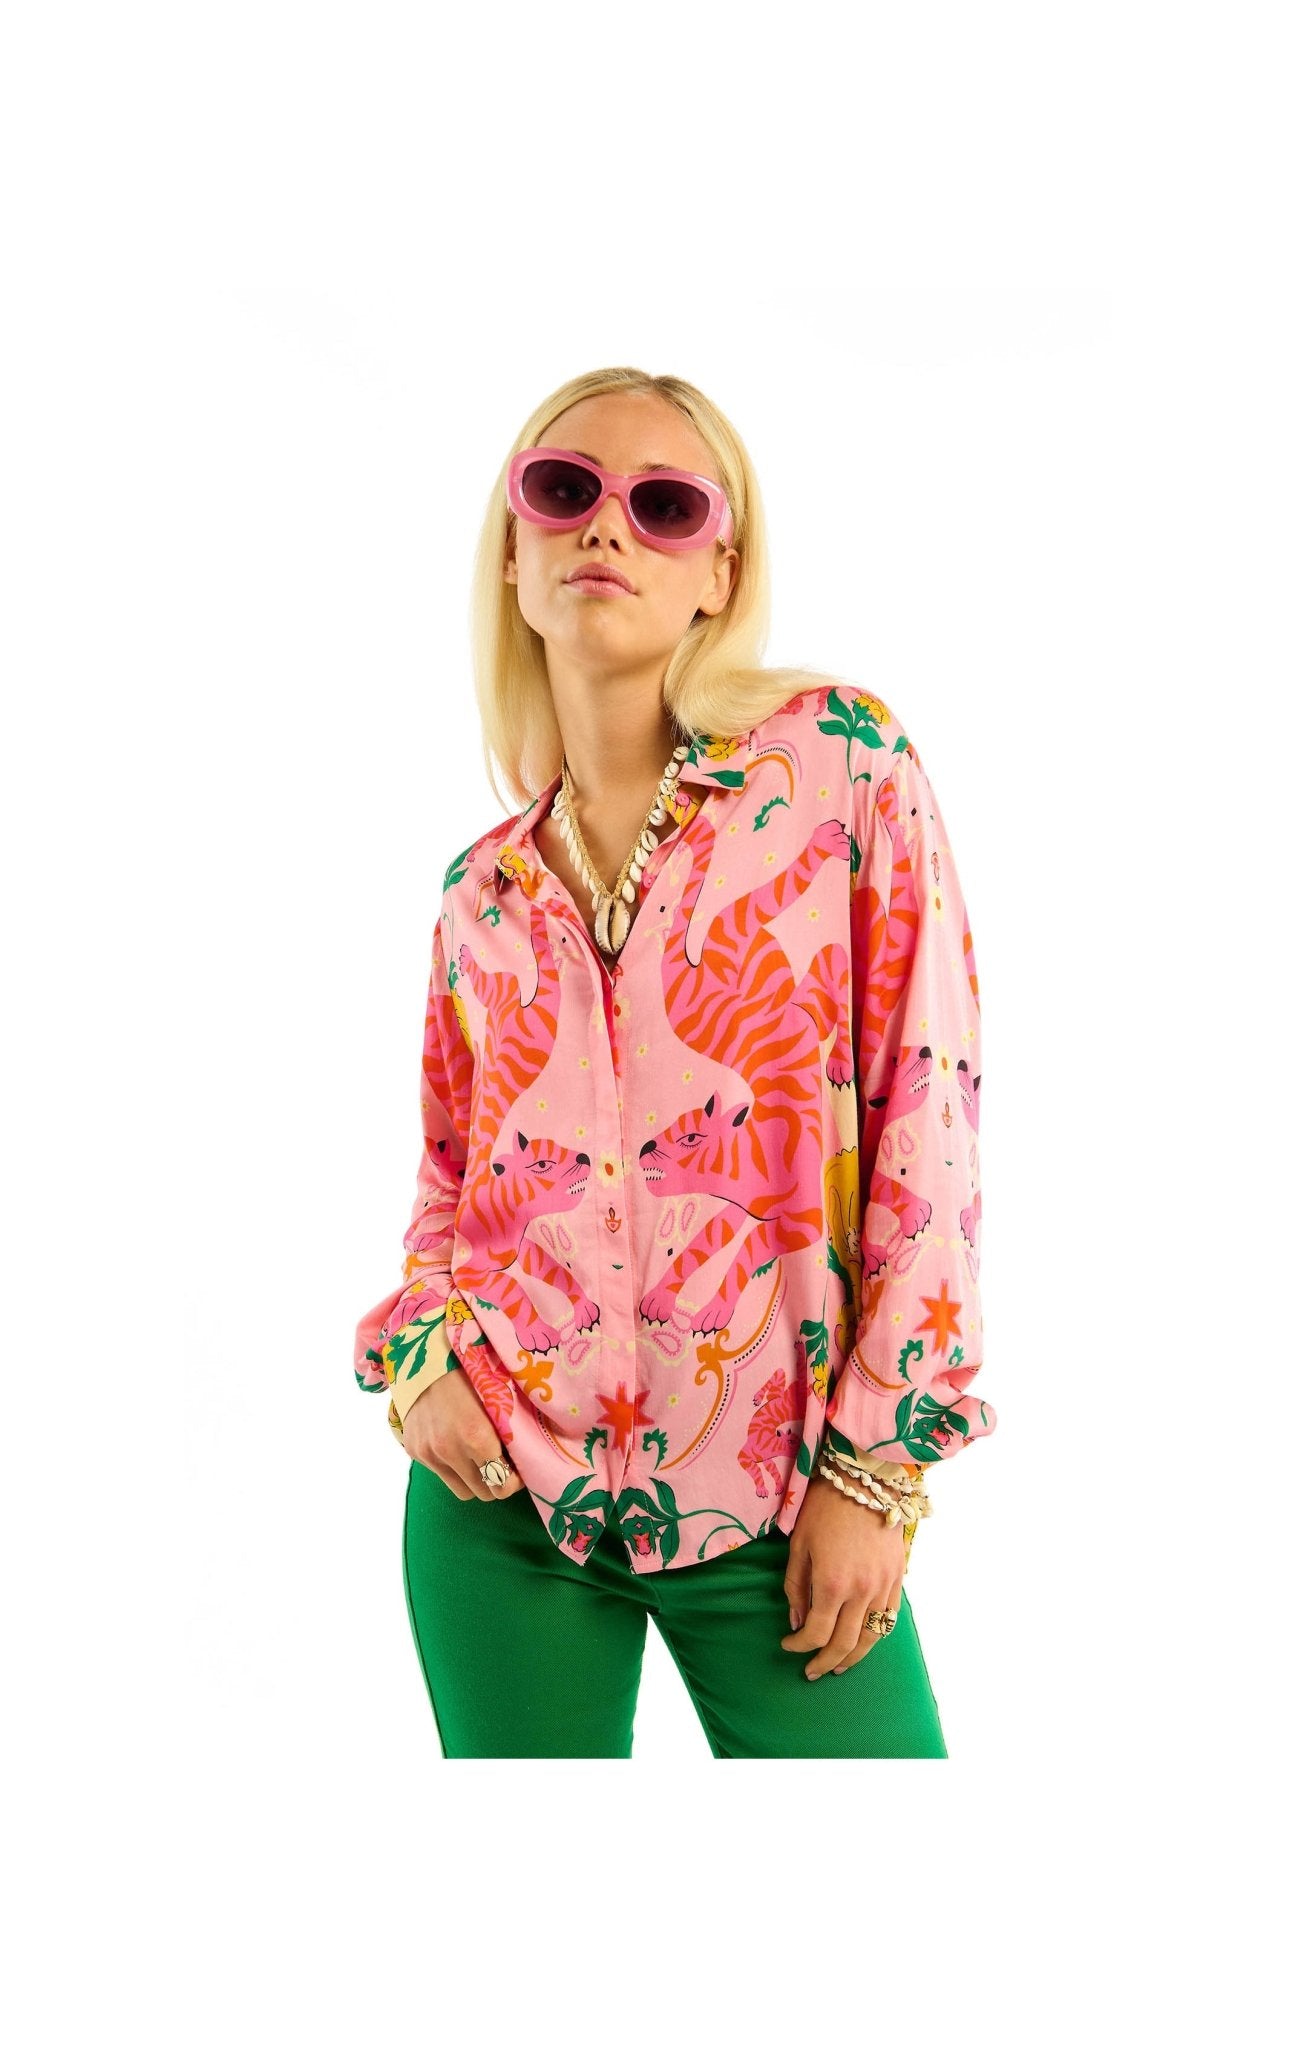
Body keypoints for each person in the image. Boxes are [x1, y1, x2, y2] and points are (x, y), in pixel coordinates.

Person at [353, 365, 995, 1757]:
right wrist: (421, 1360)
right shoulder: (480, 896)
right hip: (498, 1508)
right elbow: (451, 1184)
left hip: (785, 1493)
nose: (607, 527)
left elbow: (928, 1115)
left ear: (722, 573)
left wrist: (878, 1471)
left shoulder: (840, 771)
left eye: (665, 505)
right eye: (564, 490)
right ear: (514, 552)